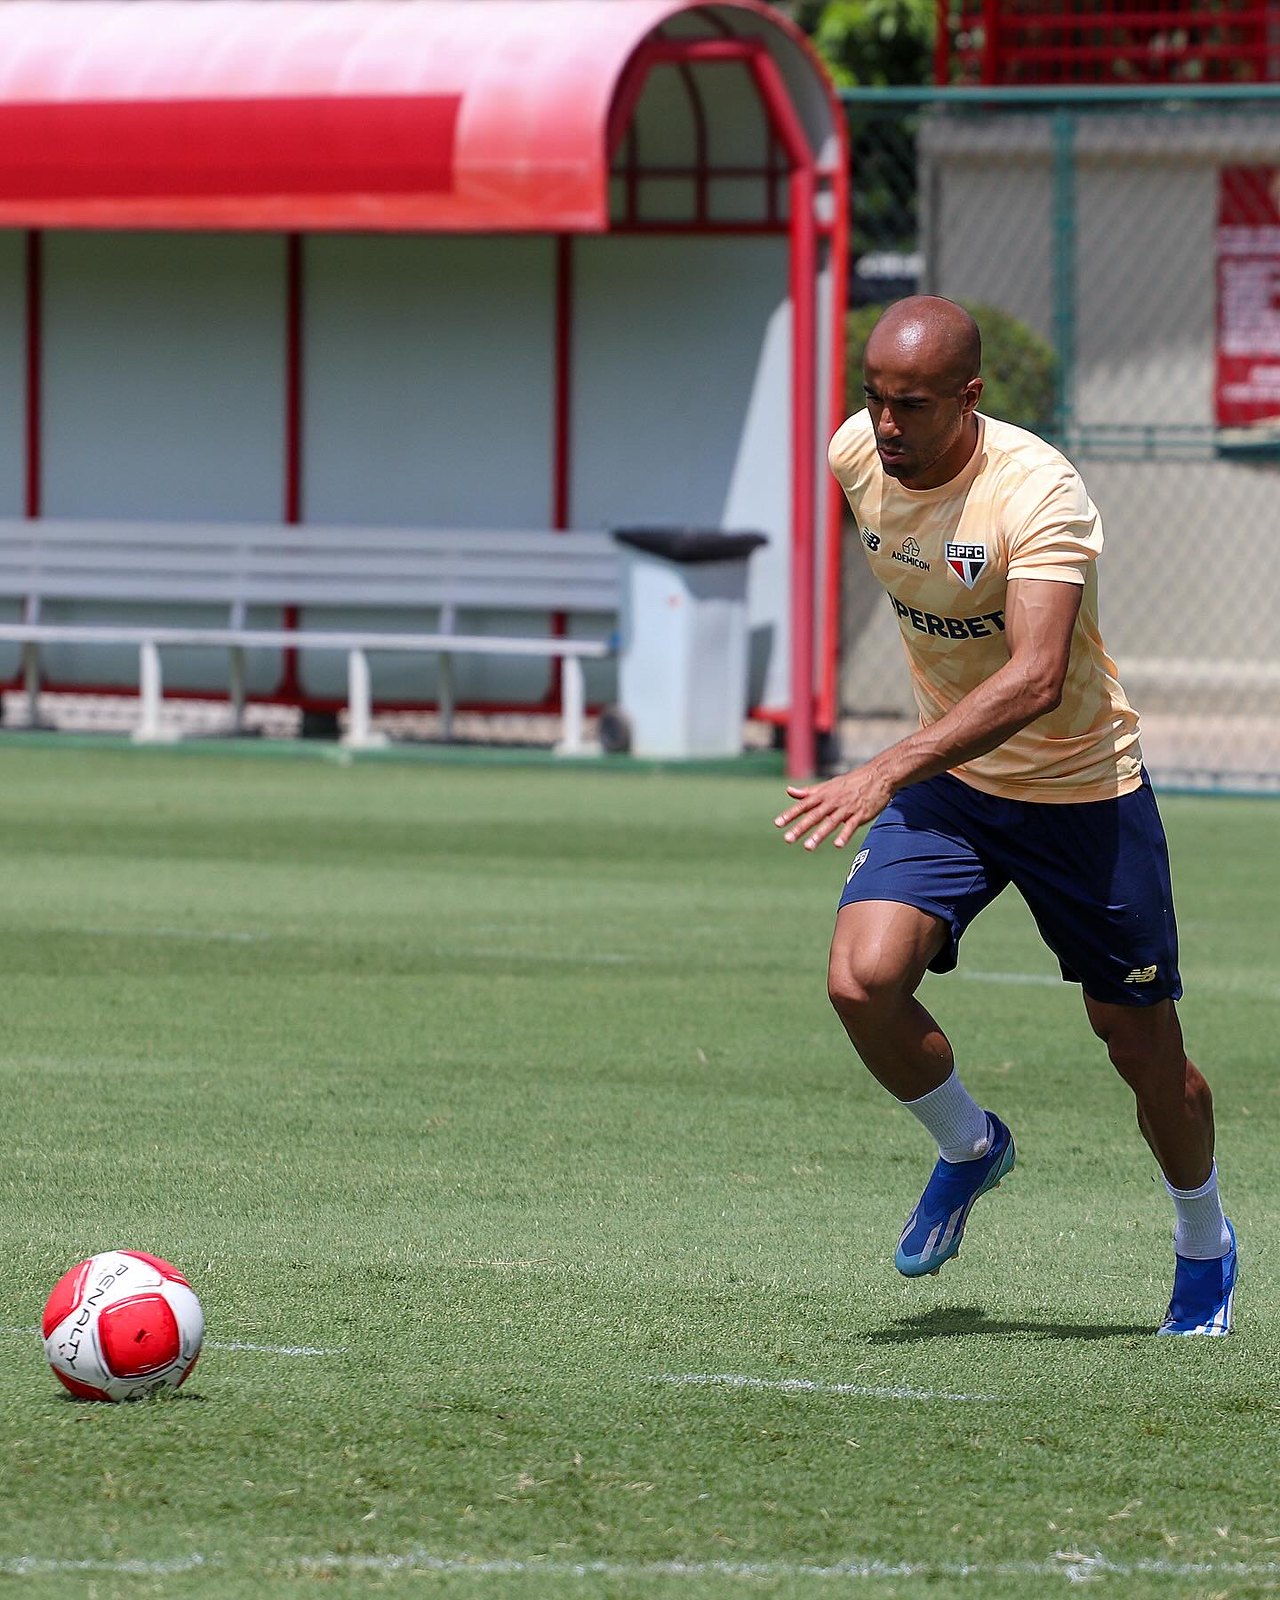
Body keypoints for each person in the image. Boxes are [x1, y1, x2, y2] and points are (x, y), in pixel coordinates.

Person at [775, 295, 1236, 1336]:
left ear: (969, 397)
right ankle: (968, 1146)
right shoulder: (858, 456)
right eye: (874, 400)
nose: (886, 426)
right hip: (955, 784)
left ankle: (1202, 1241)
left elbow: (1032, 680)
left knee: (1137, 1046)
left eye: (913, 406)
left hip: (1081, 791)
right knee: (861, 981)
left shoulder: (1036, 493)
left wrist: (880, 768)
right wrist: (907, 769)